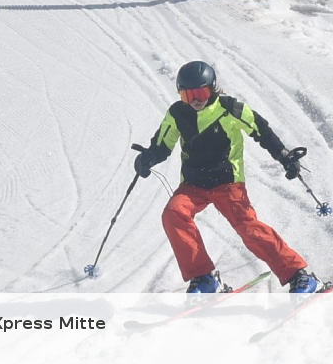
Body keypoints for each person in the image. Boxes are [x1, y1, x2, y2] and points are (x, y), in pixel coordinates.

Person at [134, 61, 321, 295]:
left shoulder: (230, 109)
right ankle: (204, 278)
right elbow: (162, 145)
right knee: (173, 214)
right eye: (188, 95)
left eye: (201, 93)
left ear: (212, 88)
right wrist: (147, 158)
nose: (195, 100)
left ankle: (299, 275)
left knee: (248, 228)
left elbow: (261, 131)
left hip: (228, 182)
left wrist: (284, 156)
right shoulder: (177, 113)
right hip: (193, 184)